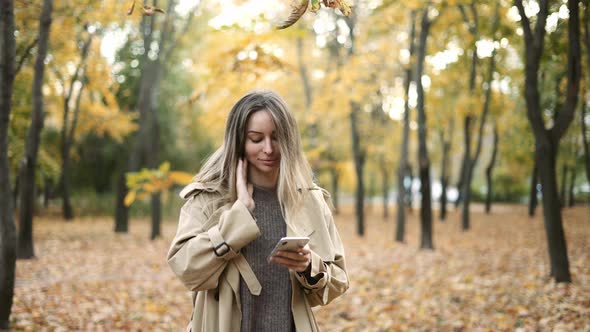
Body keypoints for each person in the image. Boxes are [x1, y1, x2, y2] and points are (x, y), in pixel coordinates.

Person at [167, 90, 349, 332]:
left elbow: (338, 280)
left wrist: (308, 265)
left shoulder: (309, 200)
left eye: (277, 138)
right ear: (239, 141)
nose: (269, 149)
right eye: (256, 139)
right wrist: (238, 216)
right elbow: (186, 269)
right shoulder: (208, 197)